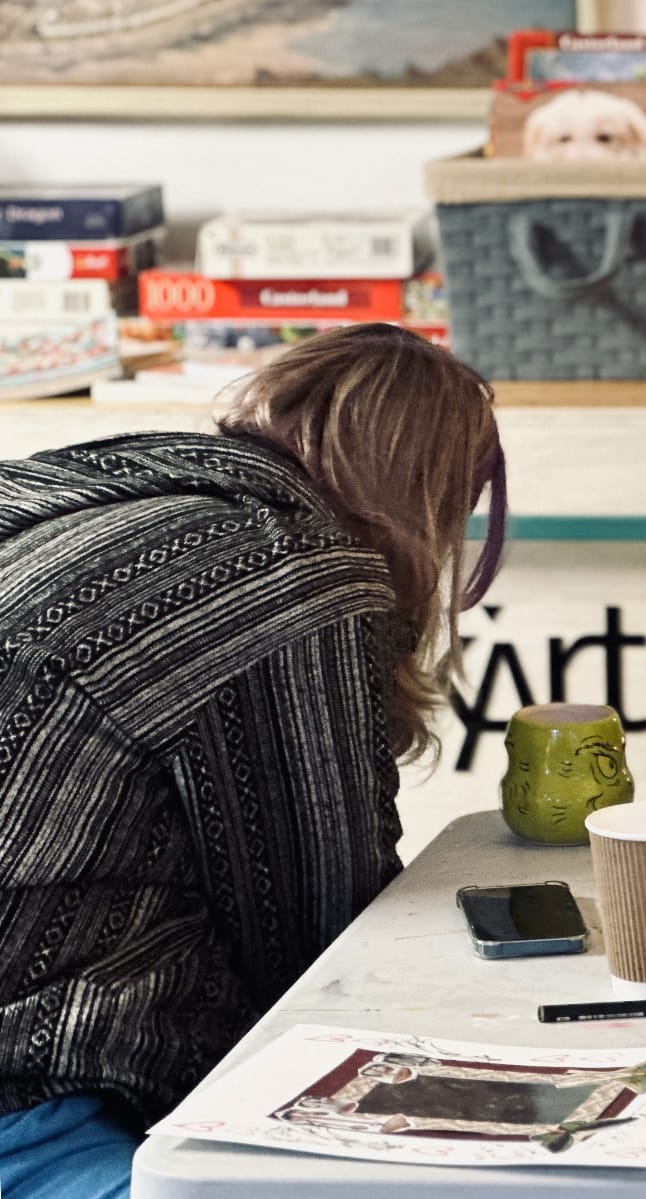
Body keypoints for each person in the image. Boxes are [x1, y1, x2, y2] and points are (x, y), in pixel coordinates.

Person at [0, 324, 507, 1198]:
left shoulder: (92, 489)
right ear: (429, 497)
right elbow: (321, 948)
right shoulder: (295, 571)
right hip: (32, 1102)